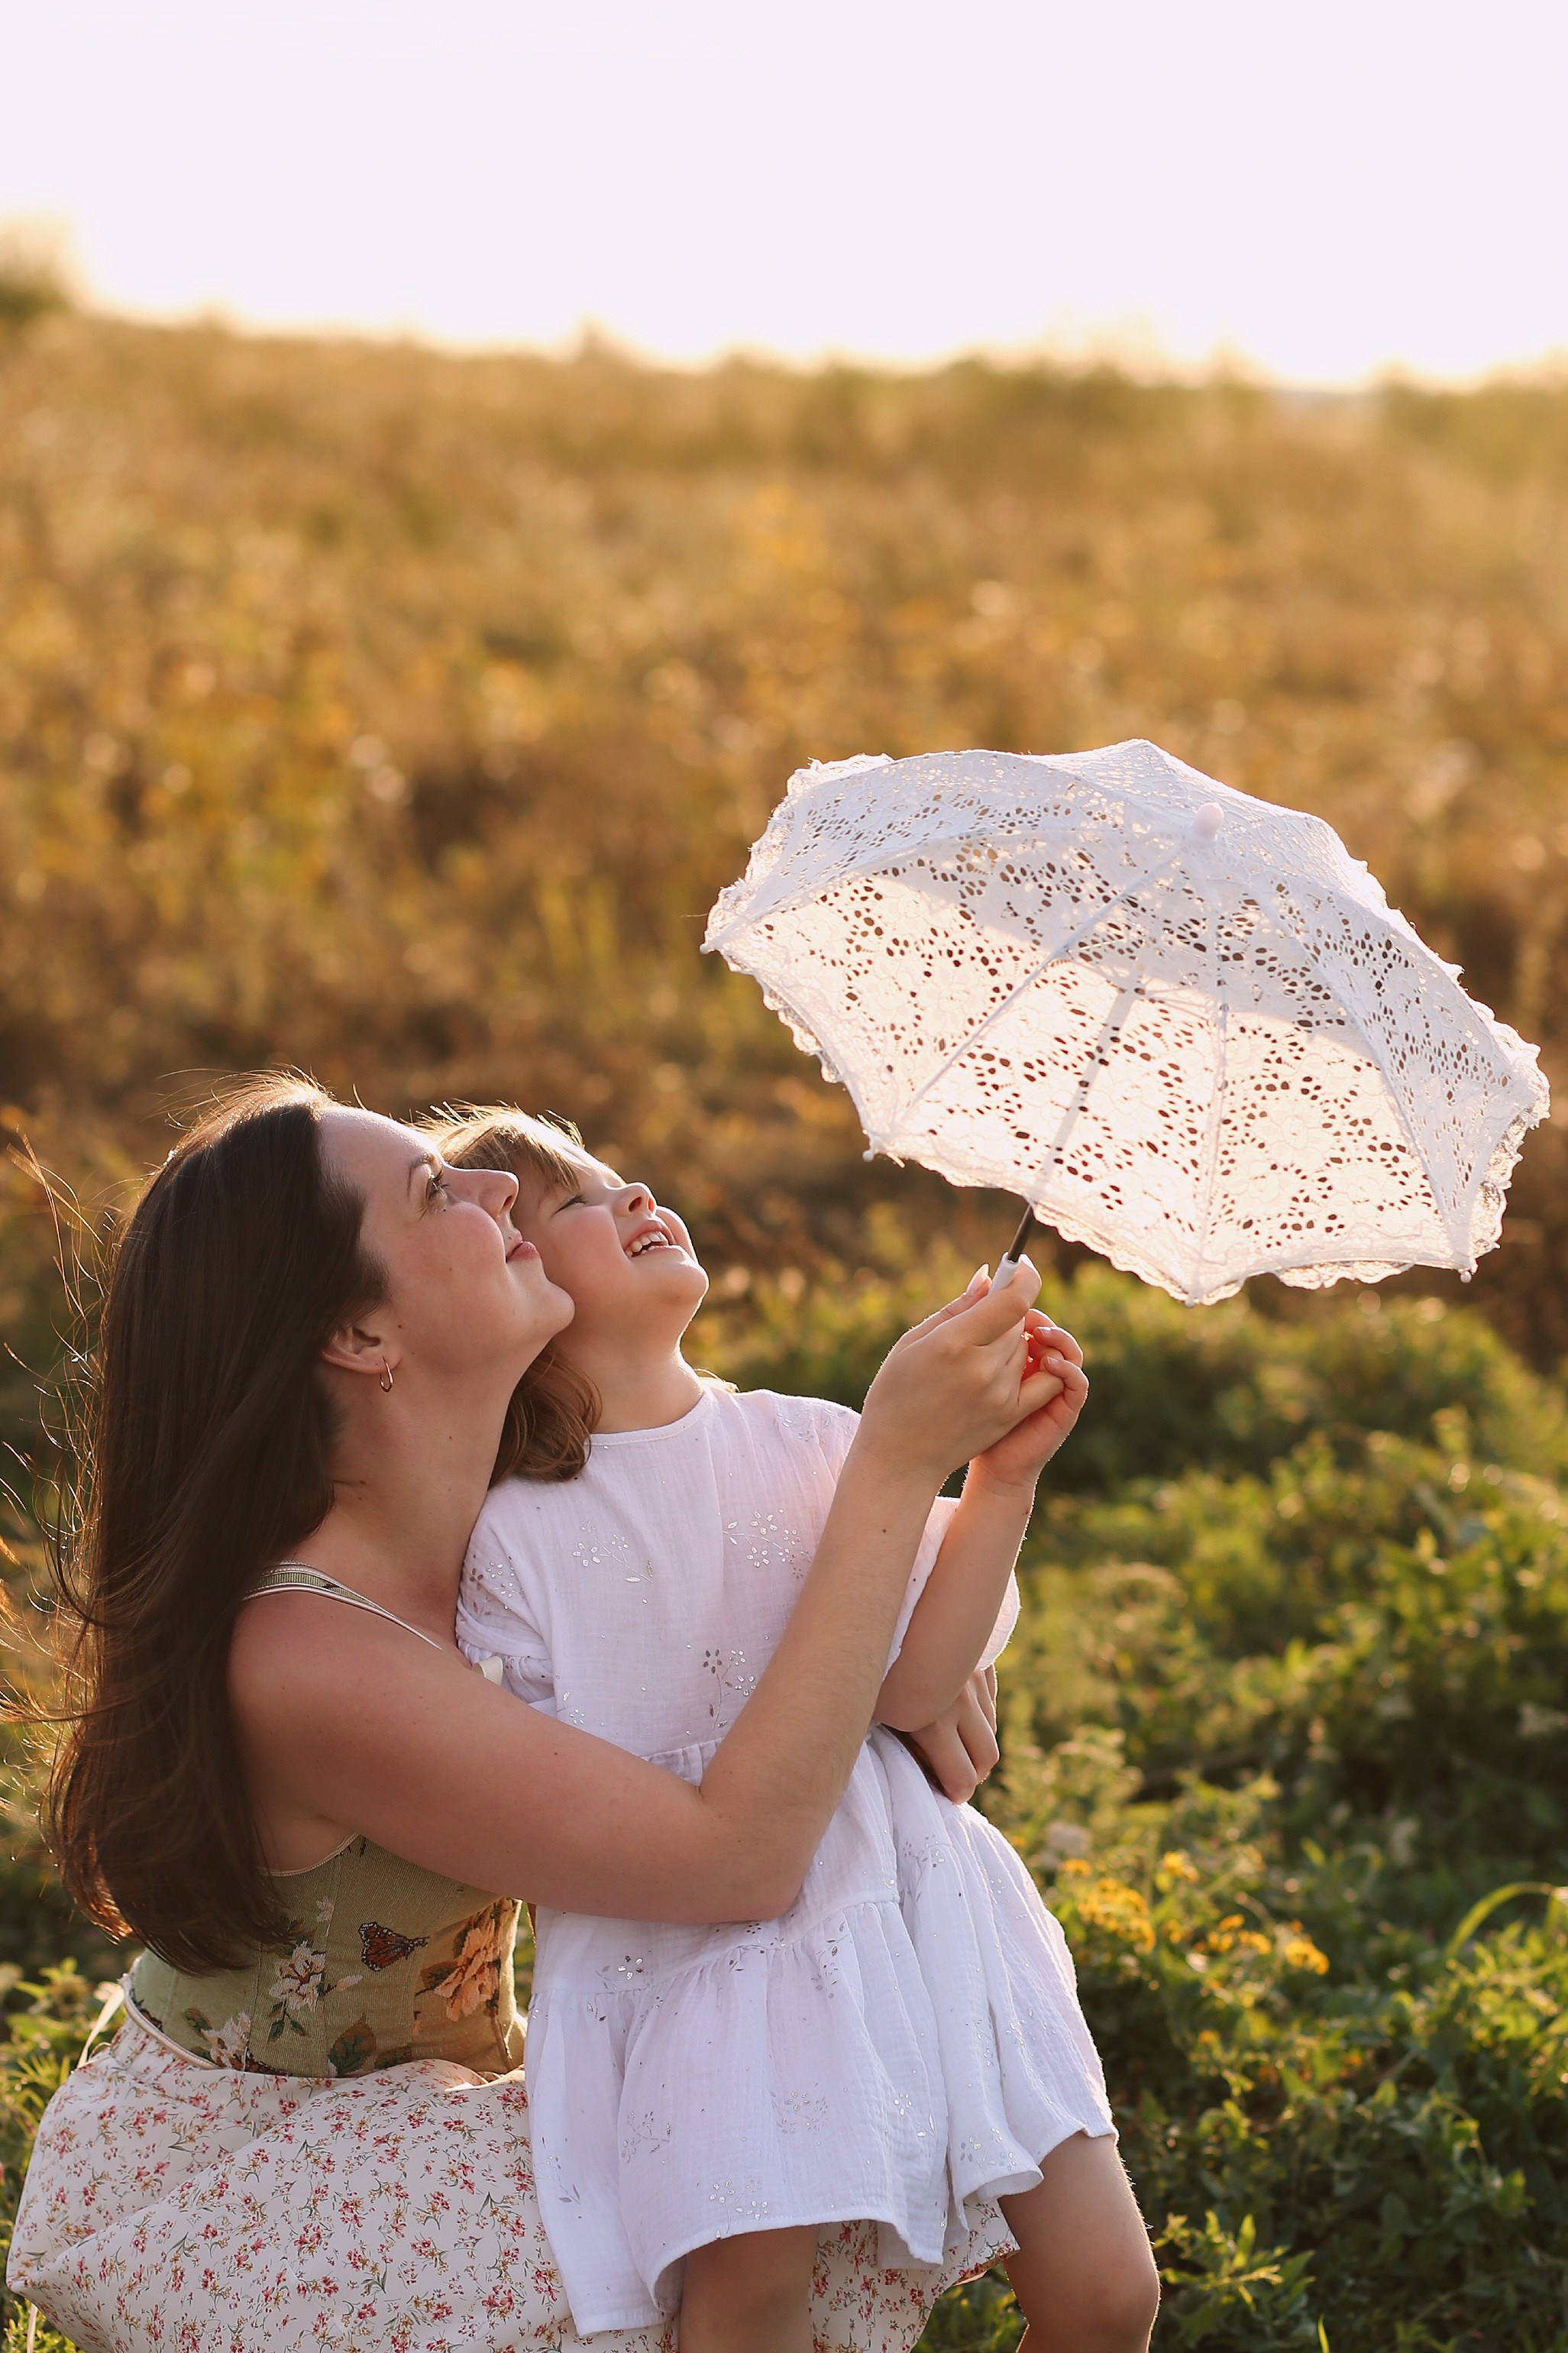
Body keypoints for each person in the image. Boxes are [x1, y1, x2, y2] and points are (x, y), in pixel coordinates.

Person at [8, 1073, 1063, 2352]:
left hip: (473, 2084)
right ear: (361, 1336)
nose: (500, 1181)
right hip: (270, 2169)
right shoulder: (304, 1652)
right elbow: (735, 1858)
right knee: (744, 2205)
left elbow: (707, 1576)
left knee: (770, 2147)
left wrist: (890, 1628)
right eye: (435, 1193)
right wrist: (891, 1474)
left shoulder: (512, 1534)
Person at [438, 1106, 1162, 2353]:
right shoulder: (504, 1535)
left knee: (1107, 2295)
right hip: (698, 1953)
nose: (636, 1193)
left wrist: (999, 1478)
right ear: (509, 1289)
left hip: (914, 1905)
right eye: (575, 1204)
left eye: (626, 1177)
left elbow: (916, 1685)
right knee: (750, 2311)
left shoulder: (818, 1442)